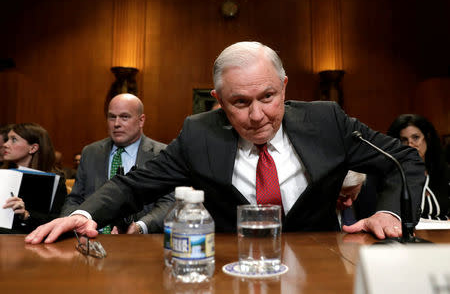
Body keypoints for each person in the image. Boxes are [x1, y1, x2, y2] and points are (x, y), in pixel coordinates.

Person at [26, 41, 426, 244]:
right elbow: (135, 184)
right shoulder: (200, 133)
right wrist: (86, 215)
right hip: (229, 268)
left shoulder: (327, 121)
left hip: (320, 264)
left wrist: (390, 214)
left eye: (268, 97)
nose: (257, 115)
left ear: (284, 87)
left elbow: (401, 160)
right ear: (219, 101)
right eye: (240, 102)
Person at [60, 93, 173, 234]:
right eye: (112, 117)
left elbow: (169, 204)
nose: (117, 124)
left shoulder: (161, 153)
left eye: (124, 117)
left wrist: (140, 227)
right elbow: (75, 199)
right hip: (91, 237)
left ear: (141, 120)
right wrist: (71, 224)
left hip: (140, 241)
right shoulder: (91, 152)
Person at [2, 123, 67, 233]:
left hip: (31, 240)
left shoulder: (56, 182)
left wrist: (26, 215)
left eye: (13, 139)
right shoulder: (3, 174)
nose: (5, 144)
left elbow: (56, 221)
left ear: (33, 148)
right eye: (7, 139)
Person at [386, 114, 449, 220]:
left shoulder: (445, 172)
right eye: (404, 140)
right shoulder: (390, 175)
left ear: (427, 138)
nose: (410, 145)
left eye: (415, 137)